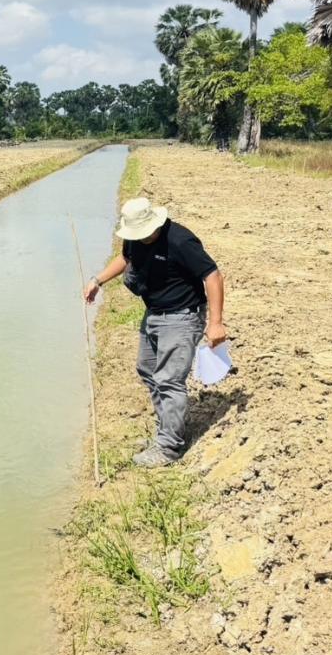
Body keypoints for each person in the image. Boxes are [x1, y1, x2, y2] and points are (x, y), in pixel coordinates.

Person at [84, 197, 226, 468]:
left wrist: (216, 322)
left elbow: (213, 276)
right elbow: (126, 258)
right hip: (154, 313)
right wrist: (97, 280)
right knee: (147, 369)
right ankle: (165, 432)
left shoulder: (180, 241)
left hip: (182, 315)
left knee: (169, 379)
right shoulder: (134, 239)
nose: (137, 238)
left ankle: (169, 448)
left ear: (154, 224)